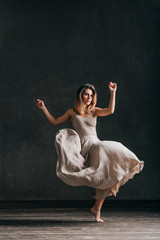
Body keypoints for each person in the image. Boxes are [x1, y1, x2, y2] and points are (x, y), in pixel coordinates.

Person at [36, 82, 144, 223]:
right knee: (106, 159)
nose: (89, 97)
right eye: (86, 94)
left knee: (108, 175)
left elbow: (110, 110)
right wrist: (44, 108)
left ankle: (96, 208)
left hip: (97, 145)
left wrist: (113, 92)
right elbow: (55, 122)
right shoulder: (72, 113)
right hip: (87, 147)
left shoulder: (94, 111)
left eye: (91, 95)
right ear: (80, 96)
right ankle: (97, 207)